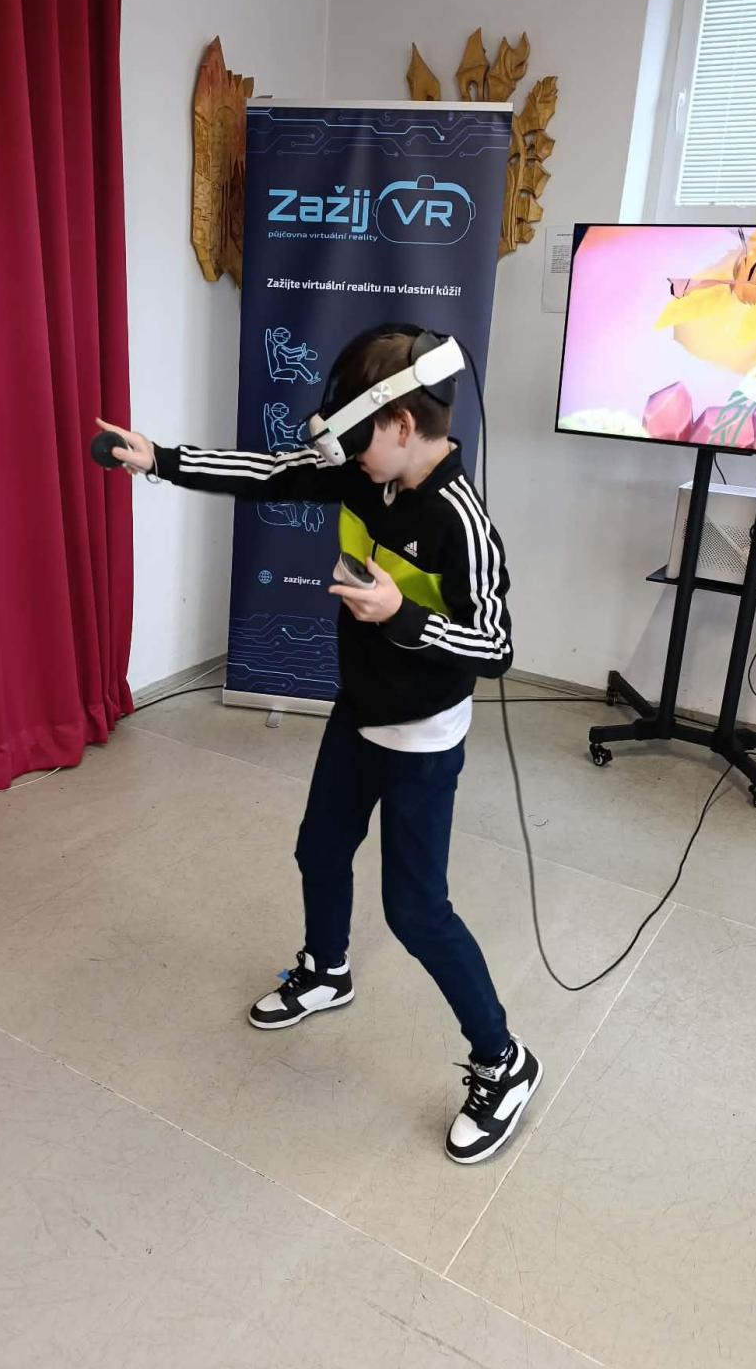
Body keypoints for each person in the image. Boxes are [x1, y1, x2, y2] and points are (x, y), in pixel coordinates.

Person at [98, 325, 542, 1163]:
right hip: (356, 710)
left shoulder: (461, 522)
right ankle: (328, 970)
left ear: (403, 424)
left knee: (416, 911)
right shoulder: (363, 468)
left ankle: (503, 1058)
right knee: (320, 849)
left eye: (359, 438)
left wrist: (404, 616)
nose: (346, 457)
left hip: (422, 736)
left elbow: (496, 647)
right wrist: (162, 459)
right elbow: (270, 471)